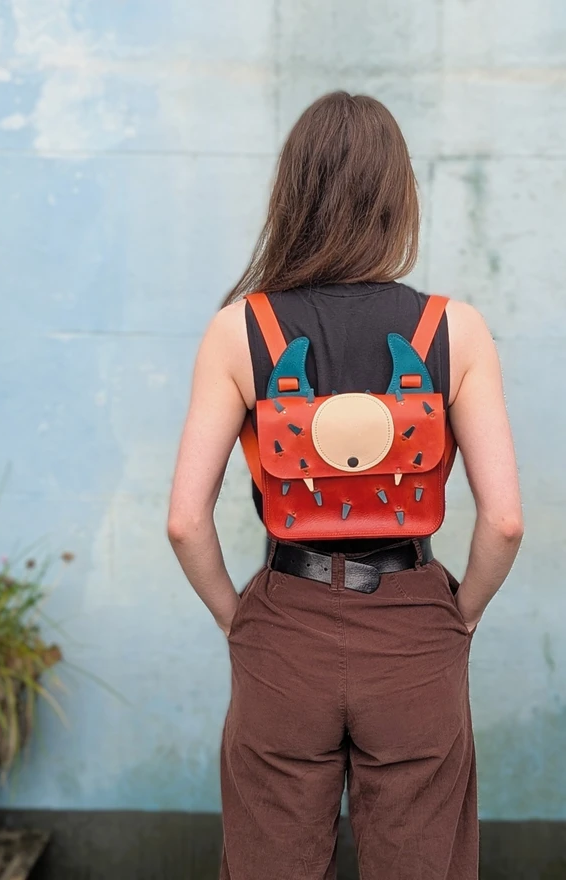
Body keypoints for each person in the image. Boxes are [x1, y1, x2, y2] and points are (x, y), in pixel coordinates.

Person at [167, 91, 523, 880]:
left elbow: (186, 522)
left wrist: (243, 620)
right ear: (398, 198)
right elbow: (503, 520)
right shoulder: (452, 329)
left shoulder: (240, 331)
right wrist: (454, 617)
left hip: (284, 626)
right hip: (413, 626)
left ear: (292, 195)